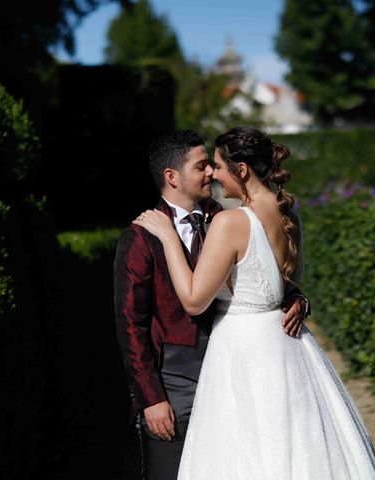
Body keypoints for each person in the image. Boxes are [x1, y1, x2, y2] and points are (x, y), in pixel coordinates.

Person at [133, 126, 375, 480]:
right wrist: (297, 297)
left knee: (246, 452)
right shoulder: (289, 212)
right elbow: (281, 281)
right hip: (288, 346)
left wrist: (167, 237)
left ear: (241, 170)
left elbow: (193, 300)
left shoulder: (230, 222)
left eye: (219, 167)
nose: (213, 175)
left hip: (243, 352)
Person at [113, 129, 309, 480]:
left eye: (212, 165)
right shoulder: (141, 237)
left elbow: (262, 269)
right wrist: (151, 398)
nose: (211, 174)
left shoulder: (225, 218)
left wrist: (294, 297)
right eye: (202, 166)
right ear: (172, 177)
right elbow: (131, 326)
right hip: (175, 381)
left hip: (235, 372)